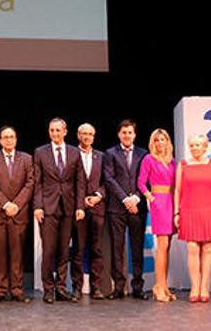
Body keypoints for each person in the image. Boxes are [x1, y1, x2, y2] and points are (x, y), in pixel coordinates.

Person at [33, 118, 86, 304]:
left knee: (64, 250)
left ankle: (61, 287)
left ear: (65, 131)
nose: (55, 133)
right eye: (52, 130)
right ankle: (48, 289)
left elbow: (80, 183)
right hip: (48, 208)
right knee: (49, 250)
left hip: (69, 208)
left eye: (58, 130)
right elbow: (37, 182)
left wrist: (80, 206)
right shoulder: (40, 152)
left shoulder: (74, 152)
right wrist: (38, 206)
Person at [102, 119, 149, 299]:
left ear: (134, 135)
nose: (127, 135)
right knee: (117, 248)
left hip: (138, 207)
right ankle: (119, 287)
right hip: (117, 207)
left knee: (137, 248)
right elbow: (109, 178)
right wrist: (125, 199)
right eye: (124, 133)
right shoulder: (110, 153)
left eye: (130, 132)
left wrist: (136, 198)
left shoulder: (143, 153)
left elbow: (146, 179)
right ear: (119, 134)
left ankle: (137, 287)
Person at [0, 126, 34, 304]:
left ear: (16, 139)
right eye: (5, 137)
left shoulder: (27, 159)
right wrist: (5, 204)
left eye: (11, 137)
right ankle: (0, 290)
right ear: (0, 140)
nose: (8, 140)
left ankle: (16, 289)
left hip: (19, 213)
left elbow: (30, 183)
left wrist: (17, 204)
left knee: (17, 254)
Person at [175, 134, 211, 303]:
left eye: (198, 145)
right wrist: (176, 213)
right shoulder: (183, 165)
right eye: (192, 145)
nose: (194, 148)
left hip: (209, 210)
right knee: (193, 249)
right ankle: (195, 286)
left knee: (207, 248)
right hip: (189, 210)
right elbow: (178, 191)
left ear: (205, 147)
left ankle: (204, 287)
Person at [137, 128, 176, 302]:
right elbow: (140, 182)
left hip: (172, 200)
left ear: (168, 142)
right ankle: (158, 287)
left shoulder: (172, 161)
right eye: (157, 140)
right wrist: (151, 198)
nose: (160, 143)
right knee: (162, 245)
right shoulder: (148, 159)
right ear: (153, 142)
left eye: (163, 139)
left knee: (168, 246)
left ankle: (164, 286)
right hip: (159, 203)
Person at [70, 123, 106, 300]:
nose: (87, 137)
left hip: (97, 208)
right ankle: (77, 287)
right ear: (78, 135)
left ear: (94, 136)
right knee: (78, 248)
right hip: (79, 209)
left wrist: (99, 195)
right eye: (84, 133)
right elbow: (68, 183)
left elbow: (107, 181)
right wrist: (81, 200)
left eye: (90, 134)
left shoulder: (101, 156)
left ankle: (96, 287)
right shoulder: (71, 154)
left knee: (97, 249)